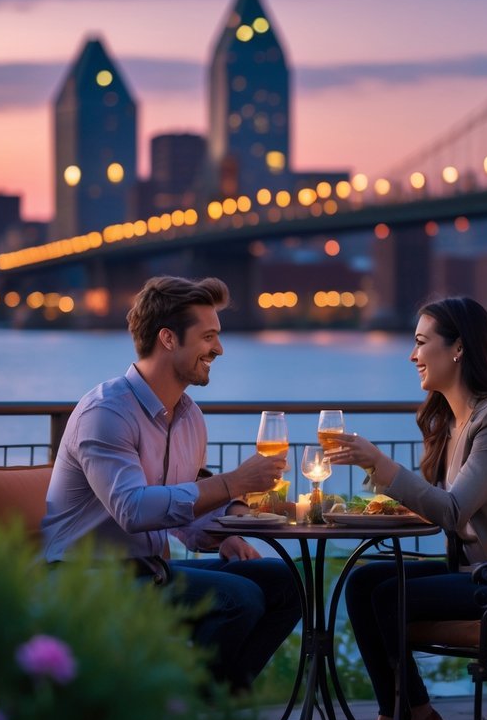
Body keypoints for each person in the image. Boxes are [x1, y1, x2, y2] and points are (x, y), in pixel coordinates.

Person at [41, 275, 301, 695]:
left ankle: (213, 706)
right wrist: (232, 482)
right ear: (167, 338)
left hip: (148, 571)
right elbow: (134, 511)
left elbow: (178, 517)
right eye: (209, 337)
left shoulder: (189, 417)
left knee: (285, 586)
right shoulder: (107, 412)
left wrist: (224, 533)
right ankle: (199, 707)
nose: (218, 349)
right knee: (240, 599)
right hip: (84, 576)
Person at [326, 296, 487, 720]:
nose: (412, 354)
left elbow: (454, 511)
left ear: (458, 348)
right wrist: (388, 497)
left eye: (421, 342)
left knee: (387, 595)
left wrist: (379, 464)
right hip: (481, 574)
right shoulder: (454, 423)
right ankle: (404, 713)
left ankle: (408, 717)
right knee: (363, 582)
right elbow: (447, 506)